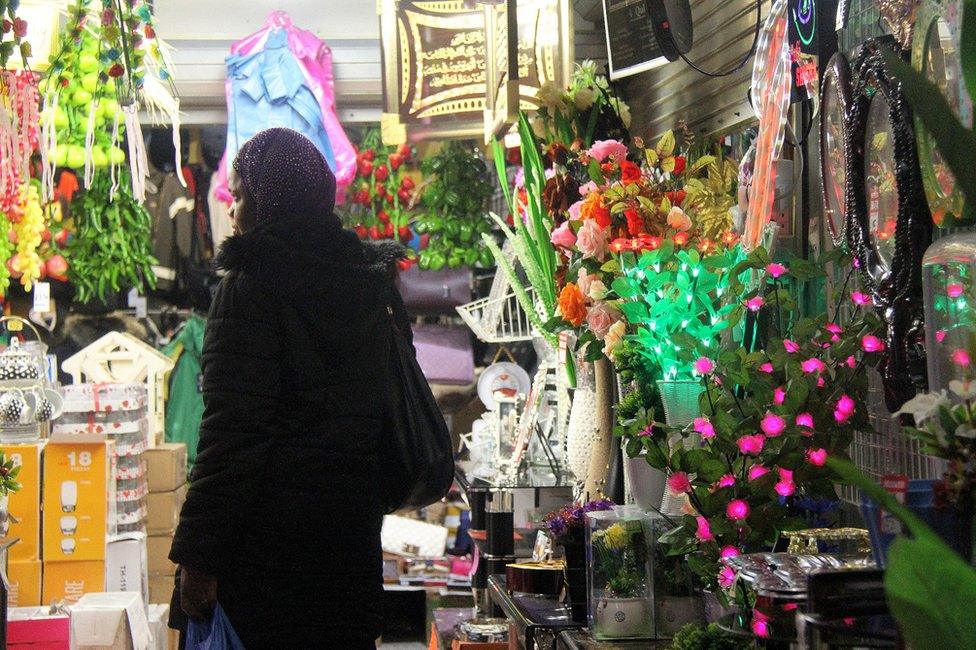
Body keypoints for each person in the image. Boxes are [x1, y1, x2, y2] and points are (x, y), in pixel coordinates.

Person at [169, 127, 409, 648]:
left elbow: (232, 434)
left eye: (238, 193)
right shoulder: (369, 286)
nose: (230, 209)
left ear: (263, 199)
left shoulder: (251, 288)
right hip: (348, 548)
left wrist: (198, 556)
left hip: (267, 562)